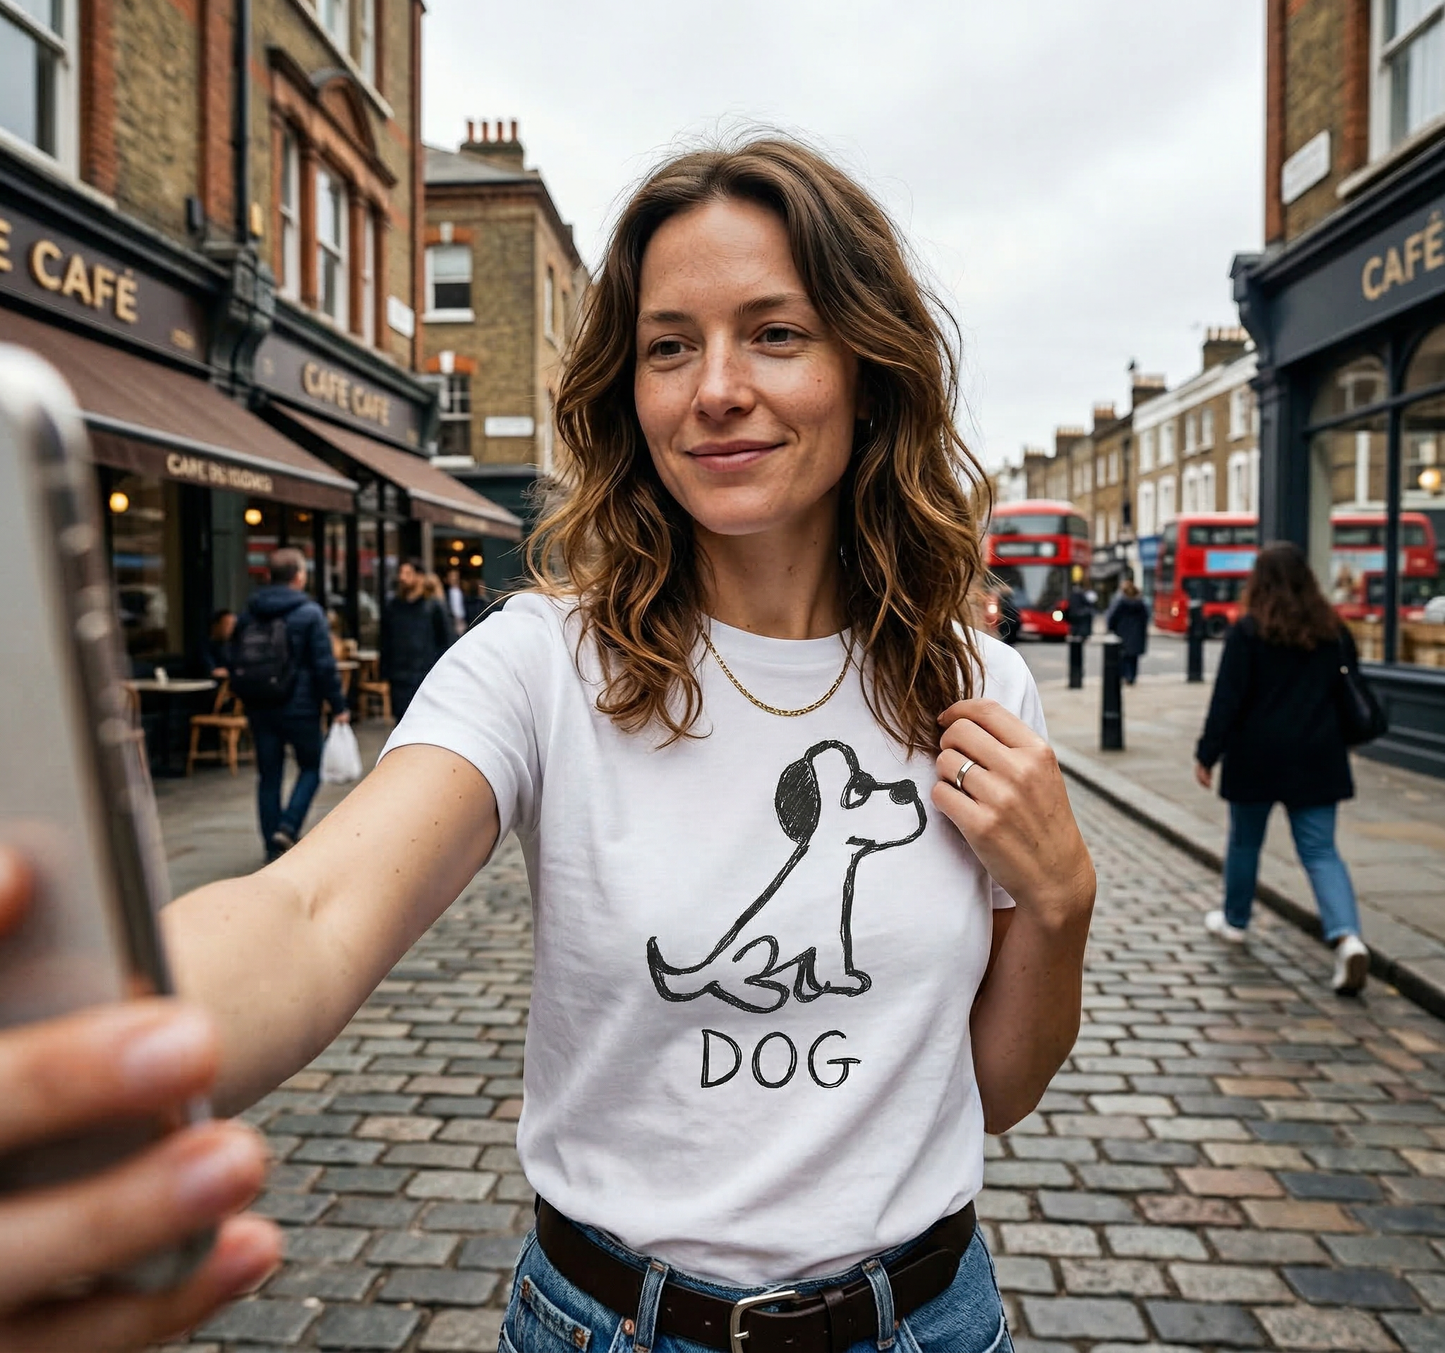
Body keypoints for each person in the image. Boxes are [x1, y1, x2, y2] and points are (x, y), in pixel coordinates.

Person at [0, 137, 1095, 1350]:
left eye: (774, 333)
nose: (714, 387)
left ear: (865, 365)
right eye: (669, 344)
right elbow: (309, 910)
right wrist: (77, 1038)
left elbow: (991, 1092)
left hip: (927, 1321)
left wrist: (1059, 903)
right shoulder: (544, 663)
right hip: (612, 1325)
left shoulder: (972, 682)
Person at [1194, 541, 1370, 995]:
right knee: (1320, 851)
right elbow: (1348, 691)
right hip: (1318, 756)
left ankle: (1235, 922)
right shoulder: (1332, 630)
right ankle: (1348, 938)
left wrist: (1207, 753)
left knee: (1246, 843)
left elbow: (1227, 699)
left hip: (1257, 755)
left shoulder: (1250, 630)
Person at [233, 548, 350, 859]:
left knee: (268, 774)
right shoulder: (310, 613)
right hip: (301, 707)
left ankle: (272, 845)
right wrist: (338, 705)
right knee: (311, 766)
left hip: (260, 705)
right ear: (299, 576)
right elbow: (324, 665)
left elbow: (233, 657)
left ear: (269, 576)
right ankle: (288, 826)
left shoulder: (249, 612)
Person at [379, 559, 454, 720]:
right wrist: (385, 675)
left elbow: (446, 641)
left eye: (408, 573)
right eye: (401, 573)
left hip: (425, 676)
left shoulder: (433, 606)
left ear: (420, 577)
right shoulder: (393, 606)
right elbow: (385, 642)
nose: (402, 578)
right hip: (399, 678)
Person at [1105, 580, 1149, 684]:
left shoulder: (1120, 603)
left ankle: (1125, 675)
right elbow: (1146, 618)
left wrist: (1110, 628)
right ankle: (1132, 676)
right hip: (1137, 634)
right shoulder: (1140, 603)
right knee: (1134, 657)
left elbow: (1112, 616)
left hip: (1122, 632)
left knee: (1123, 656)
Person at [201, 608, 236, 678]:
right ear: (215, 626)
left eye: (233, 625)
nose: (231, 629)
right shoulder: (204, 647)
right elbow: (213, 672)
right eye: (227, 625)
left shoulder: (231, 646)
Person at [444, 567, 468, 635]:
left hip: (463, 621)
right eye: (451, 576)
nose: (454, 578)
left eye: (455, 576)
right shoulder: (445, 593)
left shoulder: (464, 591)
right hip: (451, 622)